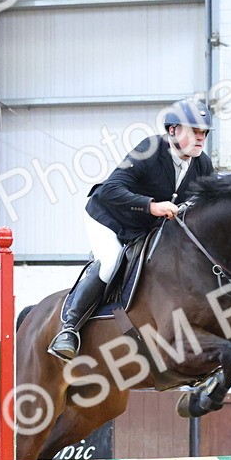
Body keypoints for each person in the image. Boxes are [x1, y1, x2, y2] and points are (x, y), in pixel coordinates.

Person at [48, 98, 216, 361]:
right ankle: (69, 329)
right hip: (110, 218)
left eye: (204, 132)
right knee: (110, 261)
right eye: (195, 131)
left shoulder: (202, 165)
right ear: (172, 130)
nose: (201, 137)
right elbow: (112, 188)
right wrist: (151, 206)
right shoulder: (150, 149)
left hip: (147, 228)